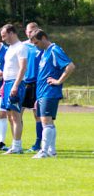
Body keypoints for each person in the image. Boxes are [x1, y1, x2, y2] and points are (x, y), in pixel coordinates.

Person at [29, 29, 76, 158]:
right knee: (48, 122)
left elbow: (70, 66)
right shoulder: (44, 52)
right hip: (42, 93)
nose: (36, 46)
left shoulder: (54, 50)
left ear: (44, 38)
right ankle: (51, 151)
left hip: (49, 92)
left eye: (37, 42)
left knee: (46, 122)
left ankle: (44, 151)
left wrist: (58, 81)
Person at [0, 24, 28, 154]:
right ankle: (14, 144)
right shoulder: (10, 48)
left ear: (11, 33)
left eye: (4, 36)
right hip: (7, 83)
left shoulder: (21, 47)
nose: (3, 39)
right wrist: (3, 83)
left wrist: (16, 85)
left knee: (16, 115)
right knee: (9, 116)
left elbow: (23, 68)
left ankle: (17, 146)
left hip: (15, 83)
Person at [22, 22, 44, 152]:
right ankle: (16, 143)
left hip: (37, 83)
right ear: (26, 32)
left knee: (37, 114)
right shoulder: (23, 46)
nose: (31, 33)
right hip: (23, 83)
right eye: (29, 31)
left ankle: (38, 142)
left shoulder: (41, 46)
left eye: (33, 31)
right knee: (16, 113)